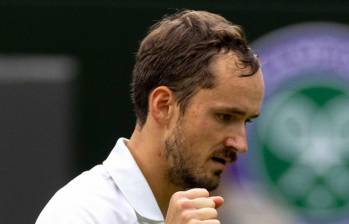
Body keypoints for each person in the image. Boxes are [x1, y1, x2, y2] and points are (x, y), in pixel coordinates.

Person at [36, 9, 264, 224]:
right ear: (163, 105)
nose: (241, 144)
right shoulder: (79, 213)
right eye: (224, 117)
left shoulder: (211, 212)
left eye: (246, 121)